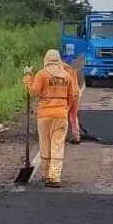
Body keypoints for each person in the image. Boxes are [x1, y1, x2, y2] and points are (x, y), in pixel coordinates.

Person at [23, 49, 79, 188]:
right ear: (59, 60)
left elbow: (33, 91)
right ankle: (55, 177)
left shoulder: (42, 74)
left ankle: (45, 174)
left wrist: (27, 76)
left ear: (46, 60)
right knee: (57, 146)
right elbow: (72, 96)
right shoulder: (67, 76)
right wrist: (65, 108)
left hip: (44, 116)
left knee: (45, 145)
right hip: (60, 116)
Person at [63, 58, 81, 144]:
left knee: (63, 114)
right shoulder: (72, 70)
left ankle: (62, 135)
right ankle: (76, 135)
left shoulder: (63, 69)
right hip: (76, 92)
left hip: (68, 94)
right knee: (74, 115)